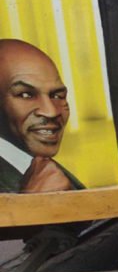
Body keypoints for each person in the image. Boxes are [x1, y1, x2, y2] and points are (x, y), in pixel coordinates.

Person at [0, 39, 81, 193]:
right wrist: (32, 207)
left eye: (57, 96)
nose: (51, 112)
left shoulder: (42, 167)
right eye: (26, 95)